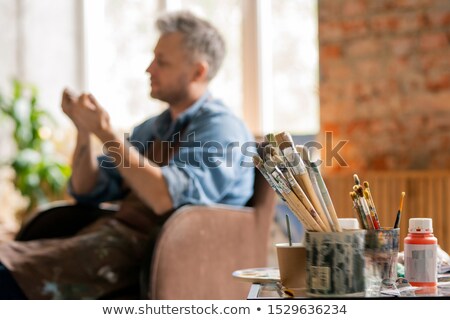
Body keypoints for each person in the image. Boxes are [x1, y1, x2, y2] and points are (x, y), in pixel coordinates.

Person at [0, 10, 254, 299]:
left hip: (160, 258)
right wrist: (84, 131)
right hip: (105, 242)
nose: (149, 69)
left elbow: (166, 199)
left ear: (198, 71)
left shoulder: (222, 129)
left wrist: (106, 134)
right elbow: (86, 189)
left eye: (162, 62)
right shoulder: (153, 128)